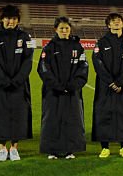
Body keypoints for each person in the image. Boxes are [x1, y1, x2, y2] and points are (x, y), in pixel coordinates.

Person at [0, 4, 34, 161]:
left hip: (19, 84)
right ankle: (2, 148)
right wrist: (3, 79)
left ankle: (14, 148)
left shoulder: (24, 37)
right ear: (2, 19)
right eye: (8, 18)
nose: (10, 21)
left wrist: (18, 79)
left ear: (18, 20)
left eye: (14, 19)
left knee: (18, 115)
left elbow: (28, 60)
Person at [37, 16, 88, 159]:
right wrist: (57, 86)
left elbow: (83, 68)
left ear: (70, 29)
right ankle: (52, 150)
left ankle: (70, 150)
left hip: (72, 92)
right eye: (61, 28)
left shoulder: (77, 47)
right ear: (56, 29)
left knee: (72, 120)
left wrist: (73, 85)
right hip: (53, 92)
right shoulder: (49, 48)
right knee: (52, 120)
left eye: (66, 28)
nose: (64, 31)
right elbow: (43, 69)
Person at [92, 13, 123, 158]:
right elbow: (97, 63)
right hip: (105, 85)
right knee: (104, 114)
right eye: (113, 21)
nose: (117, 22)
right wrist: (111, 82)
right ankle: (105, 147)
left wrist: (120, 82)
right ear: (108, 25)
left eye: (119, 21)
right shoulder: (101, 42)